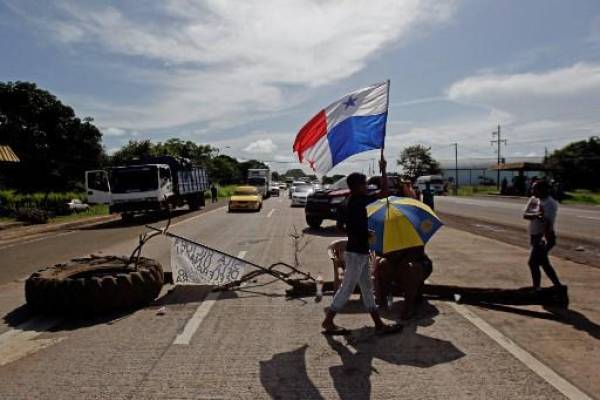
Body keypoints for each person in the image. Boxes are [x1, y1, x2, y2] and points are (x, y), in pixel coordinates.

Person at [322, 158, 398, 335]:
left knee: (367, 289)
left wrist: (358, 232)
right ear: (357, 186)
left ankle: (378, 324)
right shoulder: (360, 200)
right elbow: (385, 193)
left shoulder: (345, 202)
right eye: (364, 183)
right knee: (347, 288)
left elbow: (340, 228)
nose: (366, 186)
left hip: (358, 250)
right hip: (357, 252)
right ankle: (328, 321)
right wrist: (383, 170)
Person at [522, 180, 563, 290]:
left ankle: (537, 288)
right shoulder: (534, 199)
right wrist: (537, 215)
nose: (532, 191)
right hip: (534, 235)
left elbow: (547, 222)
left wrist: (543, 239)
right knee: (544, 263)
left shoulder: (550, 203)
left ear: (544, 190)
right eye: (532, 188)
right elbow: (525, 215)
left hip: (543, 236)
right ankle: (558, 287)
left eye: (535, 189)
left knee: (532, 263)